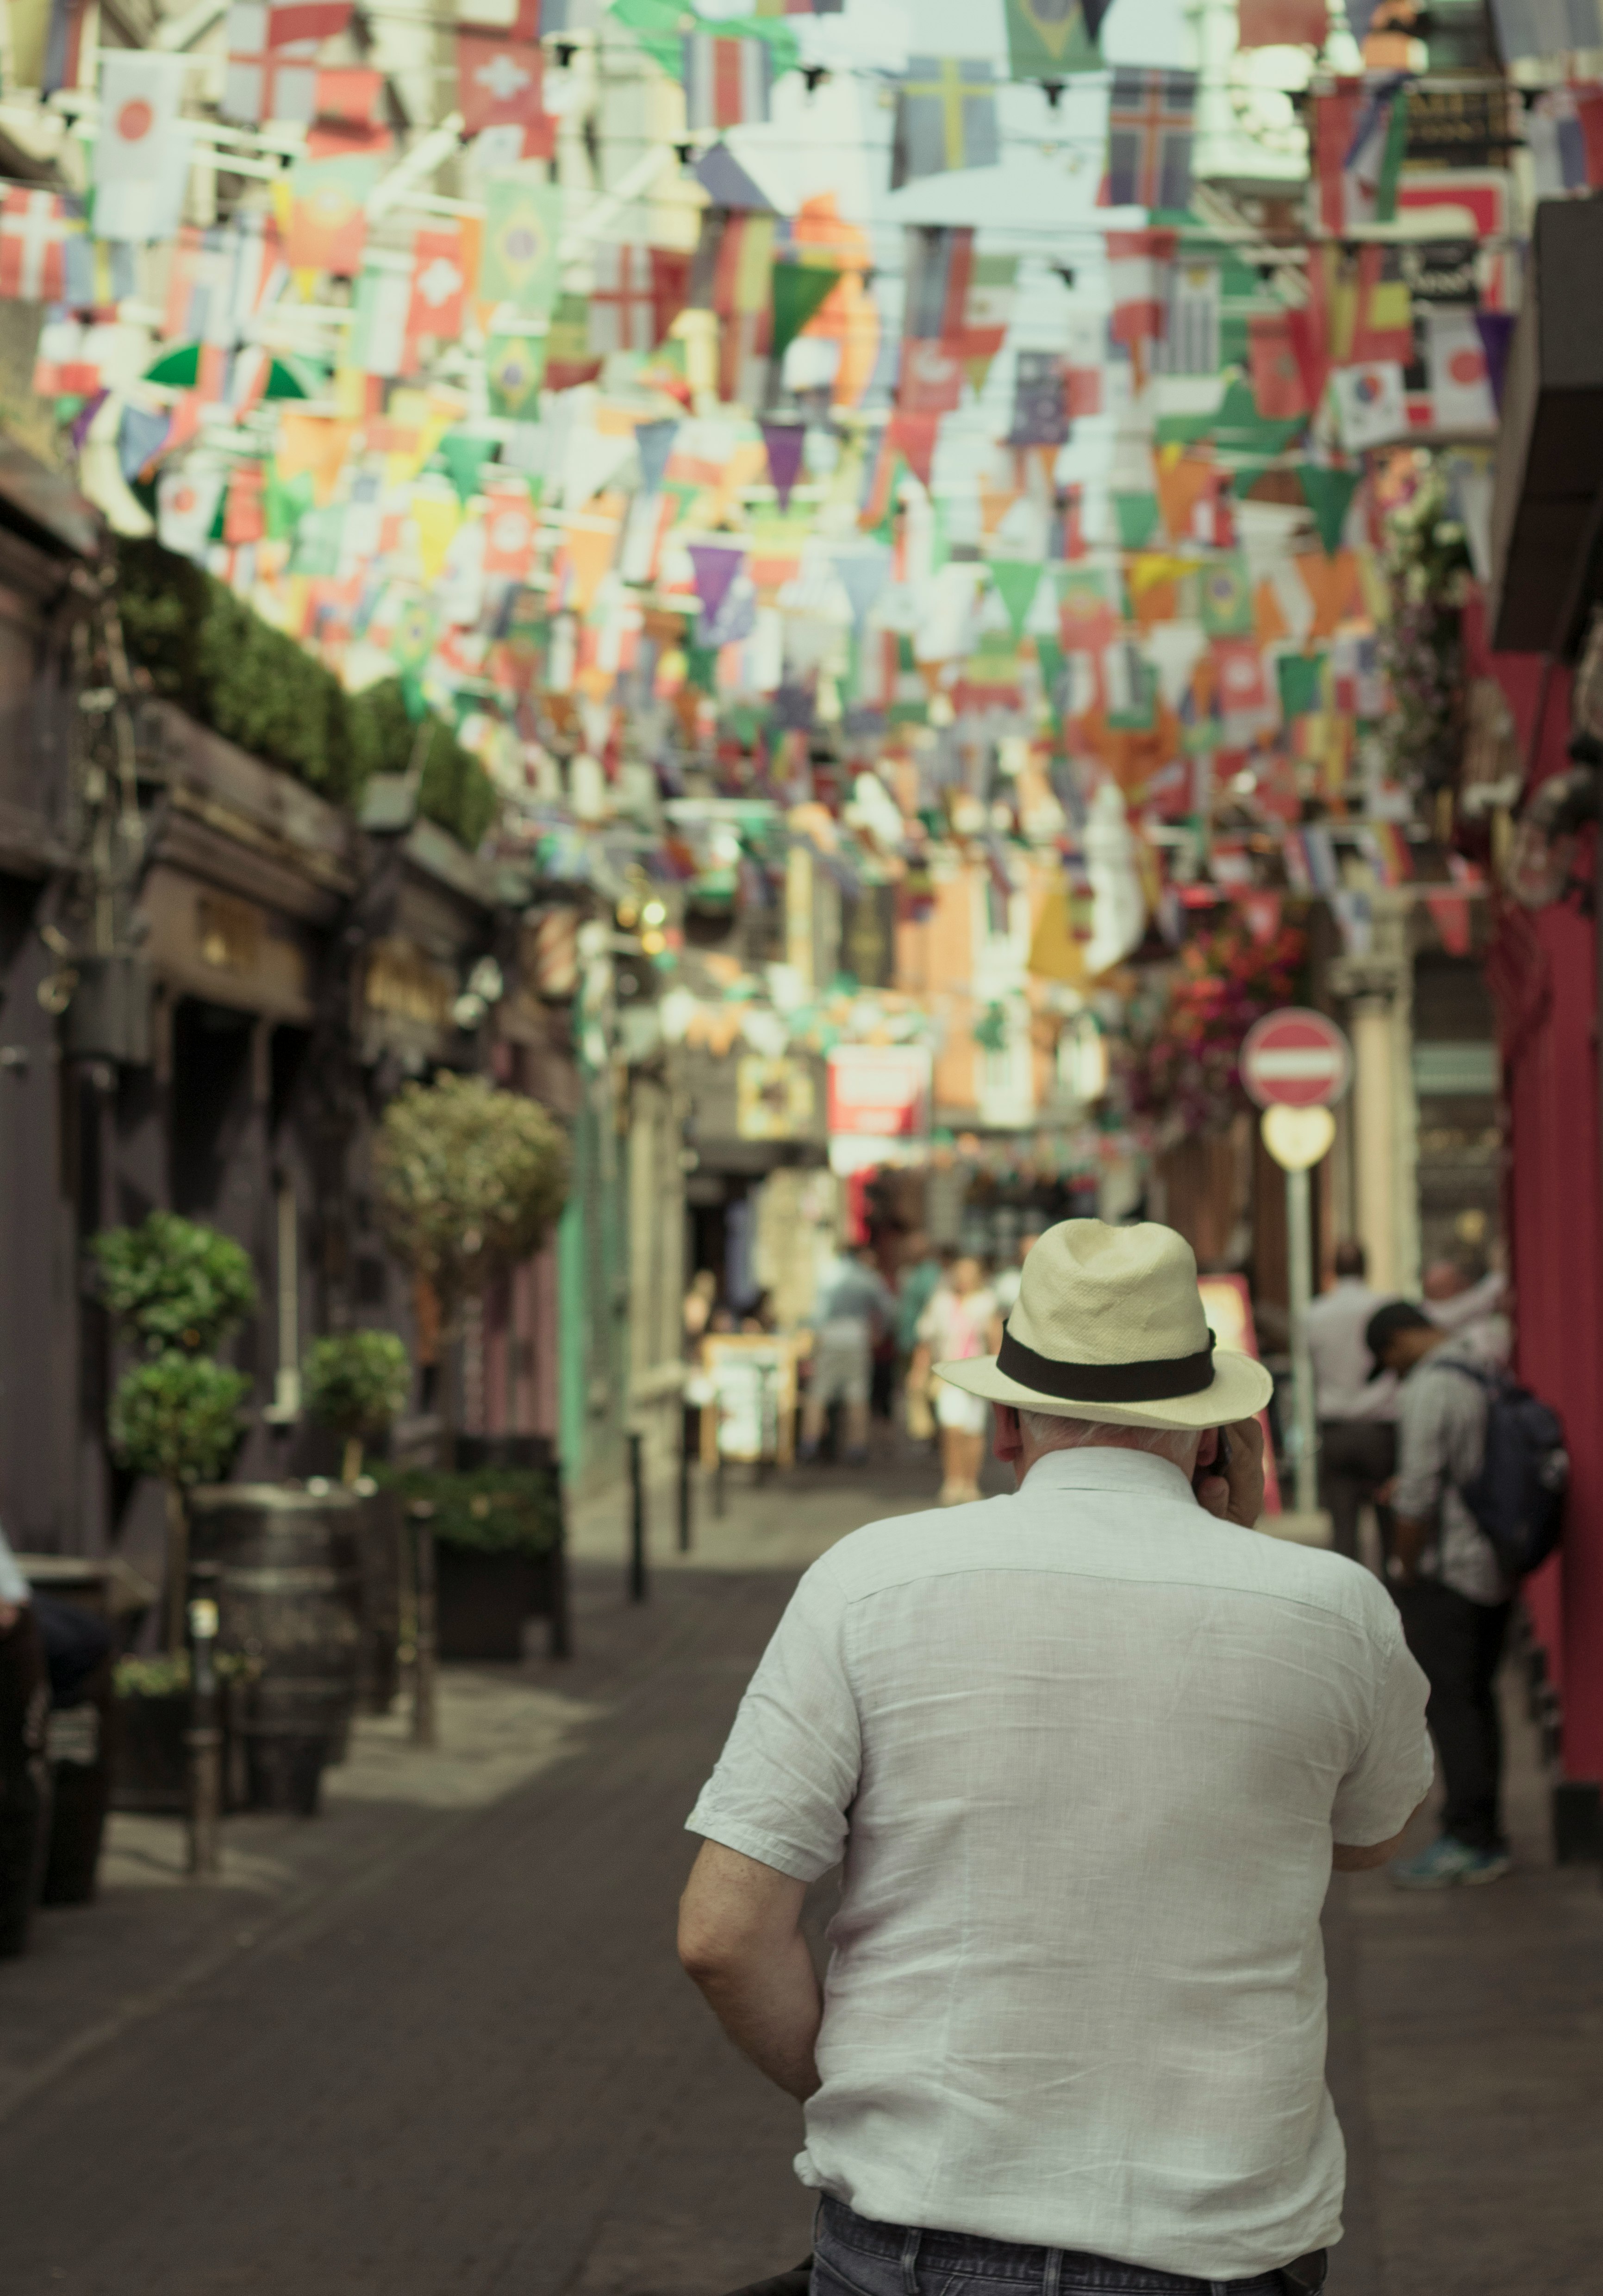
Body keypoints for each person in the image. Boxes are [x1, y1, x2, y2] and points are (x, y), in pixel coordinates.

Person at [680, 1220, 1432, 2296]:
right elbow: (1376, 1831)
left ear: (1004, 1421)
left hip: (910, 2233)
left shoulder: (866, 1582)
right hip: (1209, 2246)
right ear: (1213, 1433)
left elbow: (720, 1932)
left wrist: (866, 2084)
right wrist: (1246, 1543)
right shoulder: (1332, 1609)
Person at [1365, 1298, 1512, 1889]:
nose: (1394, 1371)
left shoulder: (1429, 1387)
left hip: (1448, 1569)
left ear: (1400, 1339)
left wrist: (1404, 1566)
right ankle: (1485, 1833)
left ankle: (1467, 1839)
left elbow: (1420, 1493)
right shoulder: (1482, 1367)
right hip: (1493, 1561)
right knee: (1478, 1699)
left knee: (1450, 1706)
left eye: (1389, 1358)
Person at [1304, 1240, 1398, 1565]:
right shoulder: (1384, 1306)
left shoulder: (1314, 1314)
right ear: (1366, 1267)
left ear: (1332, 1270)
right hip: (1380, 1429)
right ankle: (1392, 1603)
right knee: (1389, 1530)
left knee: (1343, 1534)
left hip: (1336, 1431)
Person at [908, 1254, 1001, 1504]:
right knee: (951, 1430)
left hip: (977, 1374)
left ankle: (970, 1482)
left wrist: (997, 1372)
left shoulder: (986, 1303)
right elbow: (926, 1341)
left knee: (974, 1430)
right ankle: (953, 1480)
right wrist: (918, 1373)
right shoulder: (941, 1303)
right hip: (948, 1374)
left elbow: (995, 1341)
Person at [800, 1242, 894, 1467]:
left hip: (830, 1335)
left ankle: (810, 1443)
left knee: (818, 1393)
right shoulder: (867, 1277)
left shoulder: (827, 1275)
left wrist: (814, 1341)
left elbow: (818, 1314)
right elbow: (890, 1309)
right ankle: (856, 1447)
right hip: (856, 1336)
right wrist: (880, 1333)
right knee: (857, 1393)